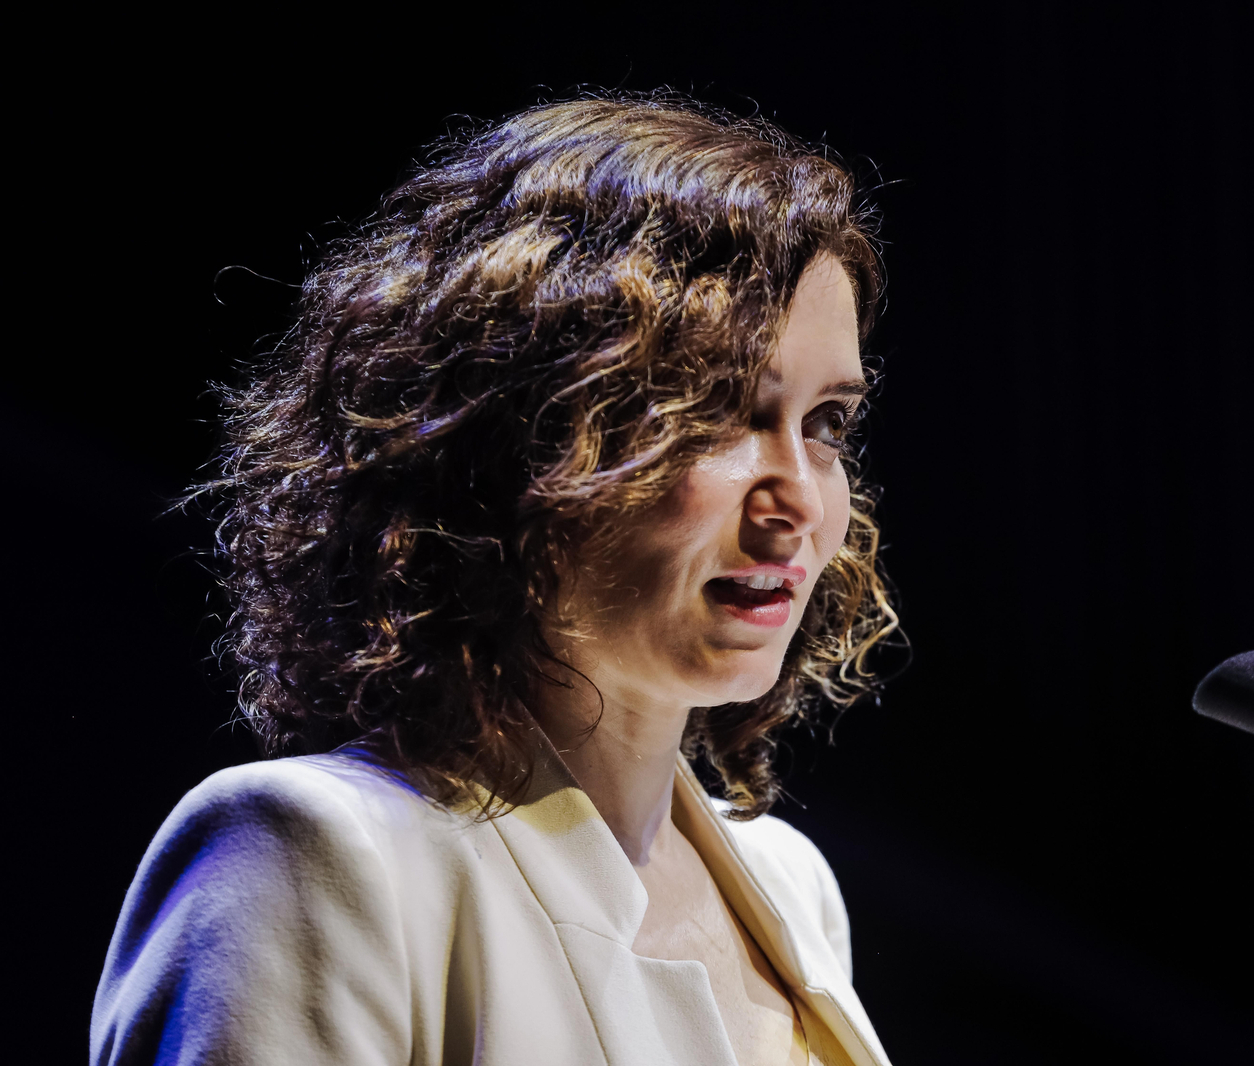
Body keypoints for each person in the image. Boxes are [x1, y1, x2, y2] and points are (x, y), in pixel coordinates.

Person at [90, 96, 899, 1066]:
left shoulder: (789, 888)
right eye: (720, 414)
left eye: (825, 425)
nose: (799, 500)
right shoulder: (316, 858)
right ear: (527, 435)